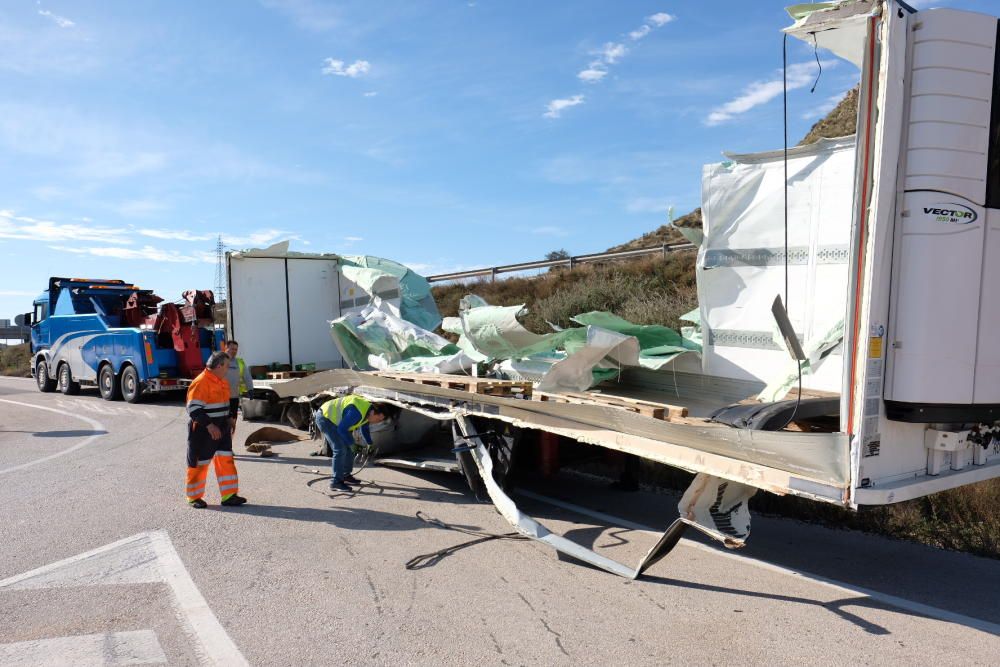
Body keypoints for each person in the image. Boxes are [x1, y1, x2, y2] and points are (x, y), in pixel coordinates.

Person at [185, 351, 247, 508]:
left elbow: (227, 403)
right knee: (199, 464)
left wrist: (230, 419)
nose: (228, 369)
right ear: (219, 366)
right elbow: (193, 409)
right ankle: (194, 497)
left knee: (226, 461)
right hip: (203, 431)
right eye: (227, 366)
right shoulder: (201, 382)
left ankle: (229, 496)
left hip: (222, 429)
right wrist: (209, 425)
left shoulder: (221, 381)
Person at [314, 395, 394, 491]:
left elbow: (364, 428)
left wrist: (369, 443)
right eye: (379, 419)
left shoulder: (367, 412)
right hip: (325, 418)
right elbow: (342, 429)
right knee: (340, 449)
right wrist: (352, 444)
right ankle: (336, 482)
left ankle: (345, 475)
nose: (378, 422)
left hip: (335, 422)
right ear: (373, 412)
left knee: (349, 448)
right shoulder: (357, 412)